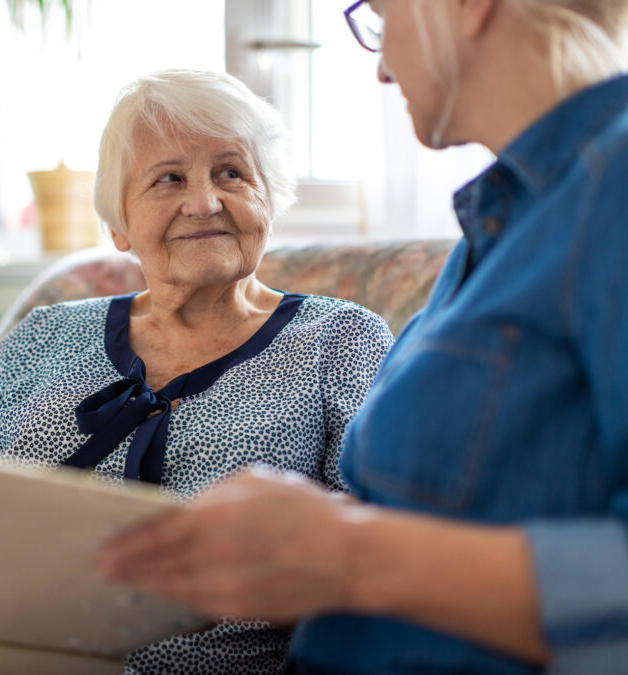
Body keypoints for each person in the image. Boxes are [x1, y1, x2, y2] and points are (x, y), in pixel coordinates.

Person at [97, 2, 628, 673]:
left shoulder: (613, 187)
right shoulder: (499, 226)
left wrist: (346, 553)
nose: (380, 68)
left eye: (381, 16)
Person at [0, 69, 394, 673]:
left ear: (269, 201)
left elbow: (383, 557)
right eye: (168, 178)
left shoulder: (343, 340)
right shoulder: (46, 333)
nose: (204, 202)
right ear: (119, 224)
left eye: (231, 172)